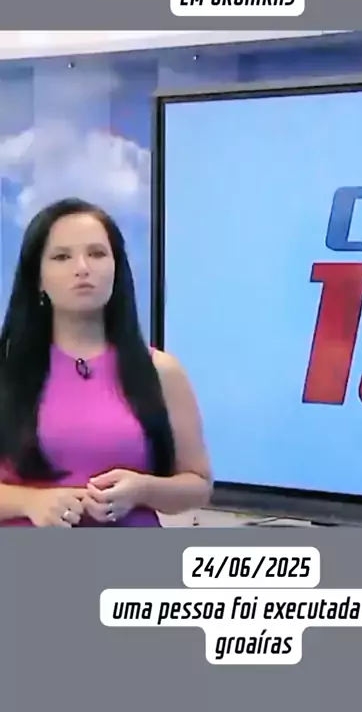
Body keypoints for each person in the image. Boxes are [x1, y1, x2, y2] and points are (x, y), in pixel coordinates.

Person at [0, 197, 212, 527]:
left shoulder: (161, 371)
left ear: (117, 268)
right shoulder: (6, 370)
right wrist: (30, 501)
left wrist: (143, 489)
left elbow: (198, 485)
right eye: (61, 257)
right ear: (37, 277)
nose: (82, 268)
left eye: (97, 254)